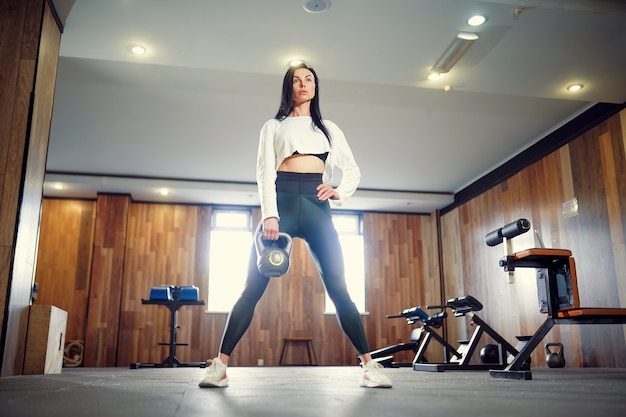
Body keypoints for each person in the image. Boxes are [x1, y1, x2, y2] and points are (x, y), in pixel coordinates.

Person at [199, 63, 392, 389]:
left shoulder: (329, 128)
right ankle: (220, 366)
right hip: (283, 203)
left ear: (315, 87)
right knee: (252, 288)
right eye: (296, 80)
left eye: (309, 79)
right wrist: (269, 215)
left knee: (340, 289)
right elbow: (264, 174)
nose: (303, 84)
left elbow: (353, 169)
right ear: (288, 87)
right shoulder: (273, 126)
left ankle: (369, 367)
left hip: (318, 207)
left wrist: (339, 190)